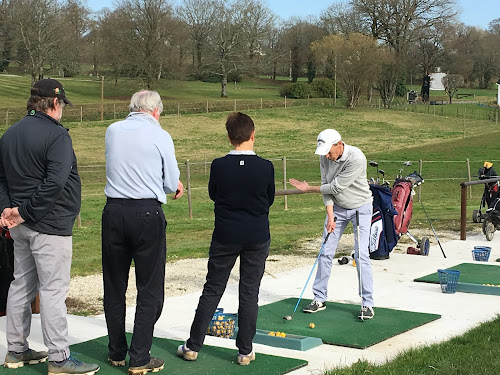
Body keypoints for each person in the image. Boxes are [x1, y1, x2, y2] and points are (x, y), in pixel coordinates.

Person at [0, 79, 100, 374]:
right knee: (53, 290)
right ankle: (59, 358)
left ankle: (16, 350)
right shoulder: (57, 136)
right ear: (55, 103)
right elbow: (55, 182)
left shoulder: (9, 134)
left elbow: (1, 180)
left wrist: (9, 211)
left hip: (21, 225)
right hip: (48, 224)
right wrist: (25, 212)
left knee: (21, 284)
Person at [177, 112, 275, 365]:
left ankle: (193, 346)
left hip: (225, 234)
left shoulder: (219, 165)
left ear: (230, 137)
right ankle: (245, 350)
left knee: (213, 288)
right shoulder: (266, 166)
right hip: (256, 235)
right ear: (253, 135)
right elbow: (269, 198)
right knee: (249, 292)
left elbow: (213, 194)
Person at [102, 90, 183, 375]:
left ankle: (116, 351)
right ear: (156, 111)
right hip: (146, 212)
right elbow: (171, 181)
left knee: (114, 284)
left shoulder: (112, 130)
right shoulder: (160, 134)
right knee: (148, 287)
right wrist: (171, 185)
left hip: (113, 211)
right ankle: (139, 356)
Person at [289, 129, 375, 320]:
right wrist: (330, 215)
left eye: (329, 151)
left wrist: (307, 189)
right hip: (337, 208)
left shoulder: (356, 157)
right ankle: (319, 298)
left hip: (360, 207)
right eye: (324, 152)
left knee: (361, 254)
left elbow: (336, 187)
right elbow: (325, 186)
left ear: (339, 144)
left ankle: (367, 303)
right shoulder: (325, 157)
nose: (327, 156)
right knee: (325, 252)